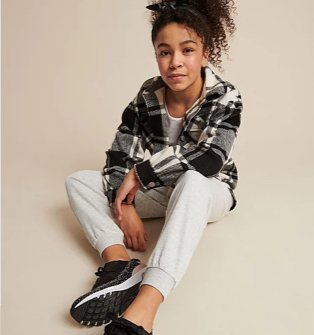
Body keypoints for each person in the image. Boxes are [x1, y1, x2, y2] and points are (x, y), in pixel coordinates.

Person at [65, 1, 243, 334]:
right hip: (163, 190)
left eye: (187, 50)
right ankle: (118, 263)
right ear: (156, 55)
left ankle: (146, 304)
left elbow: (209, 159)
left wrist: (140, 174)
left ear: (205, 53)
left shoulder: (225, 96)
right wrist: (127, 203)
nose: (175, 62)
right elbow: (121, 153)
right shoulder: (148, 94)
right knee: (79, 181)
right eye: (164, 52)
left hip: (209, 191)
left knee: (191, 179)